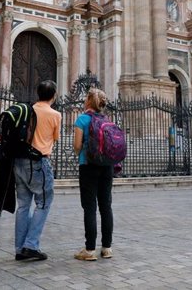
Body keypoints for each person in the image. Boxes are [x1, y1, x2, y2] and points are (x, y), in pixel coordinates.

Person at [14, 80, 61, 261]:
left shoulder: (28, 110)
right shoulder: (55, 114)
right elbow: (55, 137)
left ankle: (19, 248)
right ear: (54, 95)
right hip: (38, 162)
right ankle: (31, 245)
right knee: (43, 203)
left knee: (23, 205)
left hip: (19, 161)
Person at [73, 88, 114, 261]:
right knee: (106, 206)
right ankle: (107, 248)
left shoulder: (82, 119)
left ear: (88, 101)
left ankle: (89, 249)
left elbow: (76, 146)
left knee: (89, 207)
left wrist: (83, 149)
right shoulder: (107, 120)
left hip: (88, 165)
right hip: (107, 166)